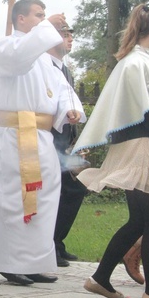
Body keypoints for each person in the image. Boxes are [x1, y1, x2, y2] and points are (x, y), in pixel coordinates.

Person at [0, 0, 84, 286]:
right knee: (14, 200)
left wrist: (69, 109)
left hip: (42, 138)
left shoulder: (47, 60)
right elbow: (21, 58)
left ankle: (34, 261)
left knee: (44, 200)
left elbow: (63, 89)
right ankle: (7, 262)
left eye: (45, 15)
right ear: (20, 19)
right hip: (13, 137)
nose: (43, 20)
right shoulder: (7, 48)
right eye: (38, 15)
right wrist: (49, 27)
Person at [74, 3, 149, 298]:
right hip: (142, 148)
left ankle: (101, 278)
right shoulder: (141, 64)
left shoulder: (133, 62)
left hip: (131, 146)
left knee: (139, 221)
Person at [49, 24, 89, 267]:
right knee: (58, 191)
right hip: (52, 139)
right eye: (65, 35)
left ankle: (58, 241)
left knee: (77, 187)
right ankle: (50, 243)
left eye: (71, 35)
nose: (70, 39)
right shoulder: (45, 67)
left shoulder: (66, 69)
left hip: (67, 142)